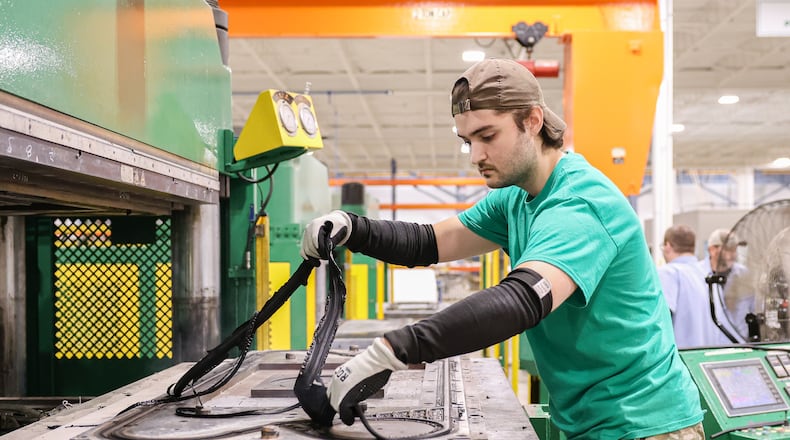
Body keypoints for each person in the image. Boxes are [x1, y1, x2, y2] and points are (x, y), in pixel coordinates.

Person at [301, 58, 704, 439]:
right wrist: (352, 228)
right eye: (467, 141)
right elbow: (430, 241)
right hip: (594, 421)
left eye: (487, 136)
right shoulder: (516, 197)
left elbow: (523, 299)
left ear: (532, 120)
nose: (476, 155)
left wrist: (393, 350)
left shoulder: (580, 201)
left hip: (647, 424)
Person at [657, 225, 728, 347]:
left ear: (667, 246)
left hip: (681, 359)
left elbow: (659, 322)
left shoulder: (668, 273)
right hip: (707, 360)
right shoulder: (708, 275)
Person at [699, 228, 752, 341]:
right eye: (728, 249)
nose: (733, 254)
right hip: (707, 345)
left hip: (739, 344)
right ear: (712, 250)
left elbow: (754, 308)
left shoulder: (744, 274)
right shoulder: (696, 274)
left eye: (735, 249)